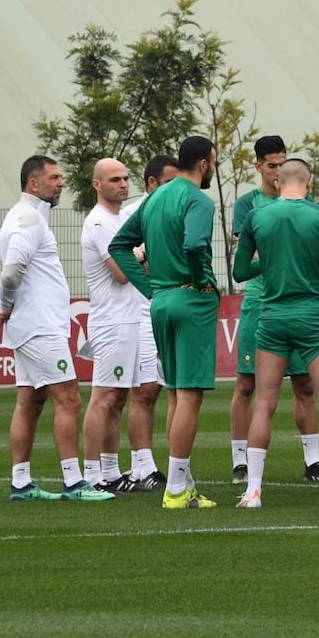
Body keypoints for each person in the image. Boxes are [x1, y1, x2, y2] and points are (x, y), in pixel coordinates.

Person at [230, 158, 319, 507]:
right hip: (312, 318)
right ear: (309, 183)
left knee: (263, 403)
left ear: (278, 182)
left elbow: (239, 271)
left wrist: (274, 261)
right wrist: (316, 257)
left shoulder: (256, 216)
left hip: (273, 316)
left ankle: (253, 489)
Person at [0, 154, 113, 502]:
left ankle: (21, 482)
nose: (61, 183)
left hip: (33, 324)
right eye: (55, 178)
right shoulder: (27, 219)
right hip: (40, 328)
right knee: (69, 399)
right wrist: (7, 304)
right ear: (33, 183)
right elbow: (11, 272)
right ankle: (74, 482)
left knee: (30, 401)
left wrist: (5, 304)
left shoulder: (28, 216)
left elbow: (17, 276)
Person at [109, 135, 221, 509]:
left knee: (175, 390)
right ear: (204, 163)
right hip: (192, 300)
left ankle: (183, 484)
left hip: (161, 300)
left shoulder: (155, 197)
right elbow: (194, 245)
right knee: (189, 394)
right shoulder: (198, 200)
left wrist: (150, 287)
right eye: (214, 162)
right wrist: (201, 278)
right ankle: (175, 489)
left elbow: (119, 246)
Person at [230, 136, 319, 485]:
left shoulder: (307, 202)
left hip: (300, 301)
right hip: (262, 300)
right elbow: (250, 257)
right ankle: (241, 461)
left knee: (305, 384)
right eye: (271, 166)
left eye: (282, 165)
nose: (277, 172)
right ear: (258, 167)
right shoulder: (248, 206)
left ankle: (313, 461)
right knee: (246, 384)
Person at [79, 158, 155, 493]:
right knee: (104, 396)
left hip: (128, 318)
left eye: (125, 178)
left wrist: (138, 254)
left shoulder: (117, 219)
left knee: (119, 397)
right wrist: (144, 253)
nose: (122, 184)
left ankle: (111, 471)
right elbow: (121, 273)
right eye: (114, 179)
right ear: (97, 185)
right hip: (112, 321)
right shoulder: (100, 223)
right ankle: (92, 473)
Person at [108, 154, 176, 492]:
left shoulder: (176, 209)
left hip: (163, 307)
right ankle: (143, 466)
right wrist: (151, 260)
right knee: (143, 388)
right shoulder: (134, 214)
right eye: (167, 183)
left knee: (157, 387)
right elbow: (125, 262)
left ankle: (140, 467)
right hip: (137, 310)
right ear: (151, 184)